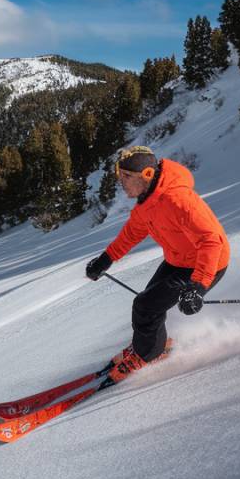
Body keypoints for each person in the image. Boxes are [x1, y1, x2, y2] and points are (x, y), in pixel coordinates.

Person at [86, 145, 230, 383]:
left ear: (147, 175)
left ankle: (148, 353)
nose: (122, 182)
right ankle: (152, 345)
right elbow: (132, 233)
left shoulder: (178, 200)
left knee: (145, 306)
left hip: (206, 263)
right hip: (178, 260)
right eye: (120, 176)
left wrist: (199, 286)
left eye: (127, 177)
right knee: (147, 303)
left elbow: (211, 241)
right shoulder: (147, 201)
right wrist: (106, 259)